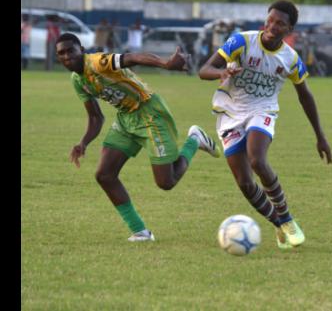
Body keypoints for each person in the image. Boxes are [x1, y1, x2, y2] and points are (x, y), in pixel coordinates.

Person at [55, 33, 221, 242]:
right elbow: (96, 117)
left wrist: (166, 63)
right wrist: (83, 142)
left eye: (71, 50)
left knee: (166, 182)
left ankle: (195, 140)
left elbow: (132, 57)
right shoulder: (77, 80)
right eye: (62, 53)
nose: (67, 56)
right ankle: (140, 231)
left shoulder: (97, 63)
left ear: (81, 49)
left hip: (150, 113)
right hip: (126, 118)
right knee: (104, 174)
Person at [198, 0, 332, 249]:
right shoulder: (241, 41)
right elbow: (204, 69)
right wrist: (221, 73)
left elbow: (305, 96)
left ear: (289, 29)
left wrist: (320, 136)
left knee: (257, 160)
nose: (272, 26)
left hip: (263, 109)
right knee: (244, 182)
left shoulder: (290, 59)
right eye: (270, 20)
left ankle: (287, 218)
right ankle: (278, 225)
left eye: (280, 23)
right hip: (230, 112)